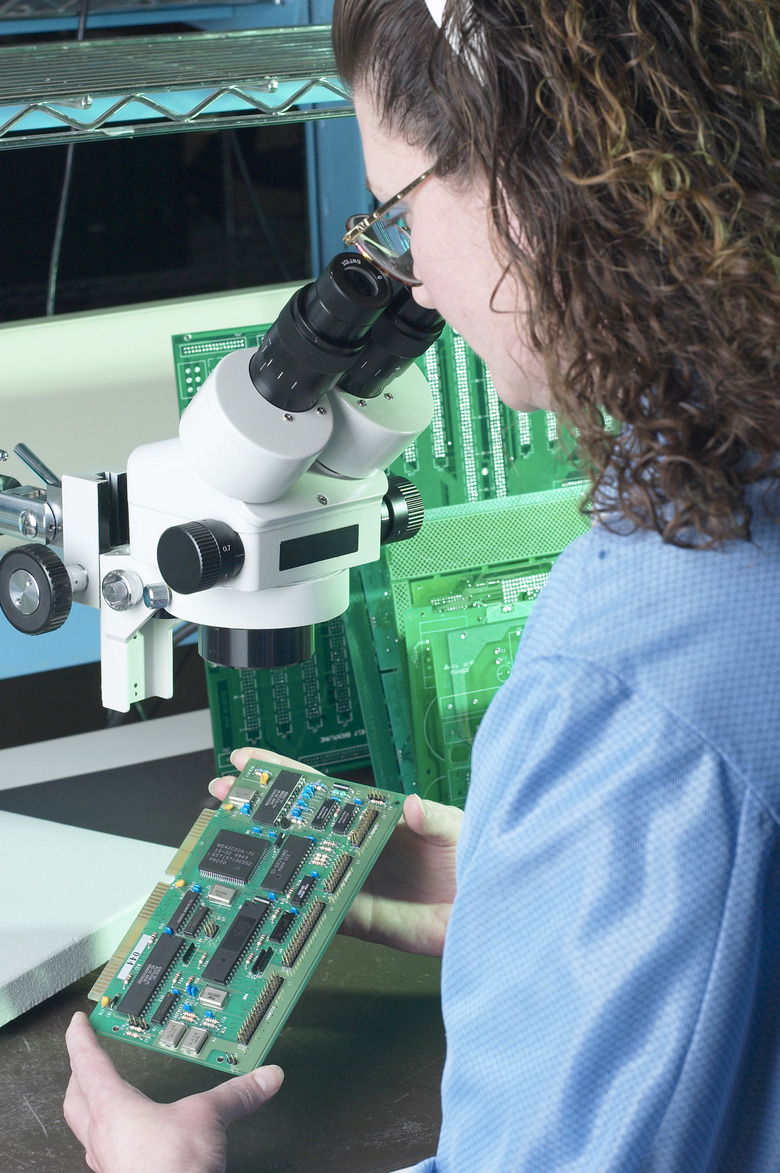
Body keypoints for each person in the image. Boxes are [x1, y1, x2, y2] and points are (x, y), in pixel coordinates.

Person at [65, 1, 780, 1169]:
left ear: (539, 179)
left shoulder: (625, 683)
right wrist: (553, 874)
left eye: (401, 209)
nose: (421, 290)